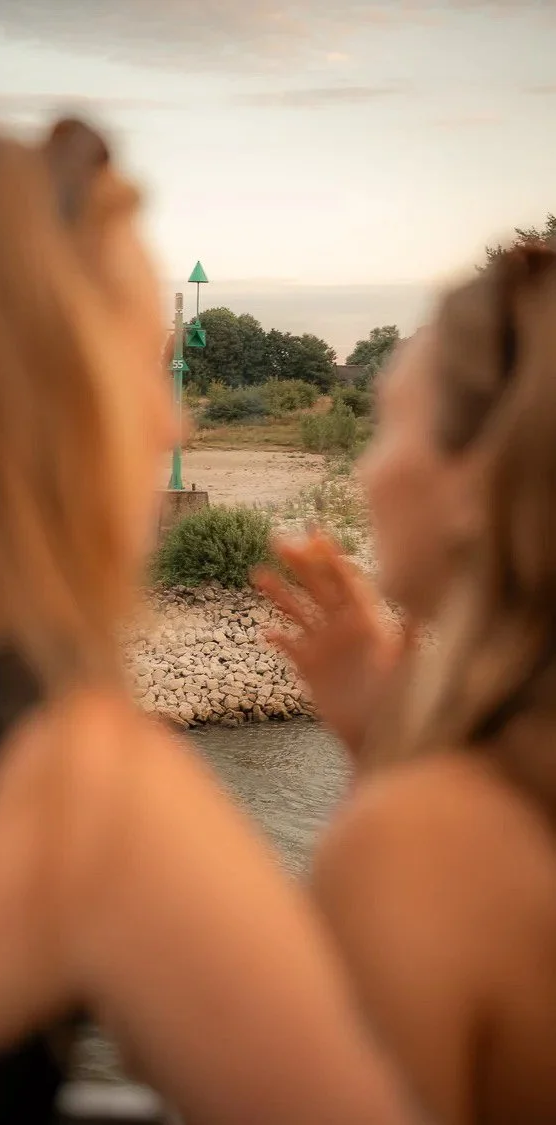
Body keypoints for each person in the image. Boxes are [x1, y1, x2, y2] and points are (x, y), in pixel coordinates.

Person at [0, 114, 420, 1125]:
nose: (174, 419)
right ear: (44, 394)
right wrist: (393, 763)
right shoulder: (70, 790)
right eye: (145, 364)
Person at [256, 240, 556, 1124]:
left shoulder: (415, 845)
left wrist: (394, 801)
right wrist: (385, 741)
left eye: (389, 423)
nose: (366, 467)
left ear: (477, 478)